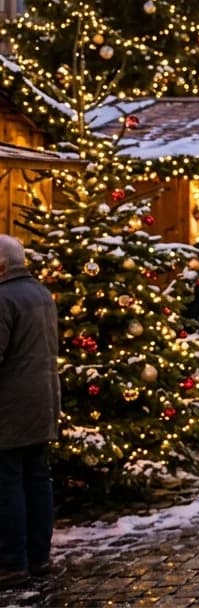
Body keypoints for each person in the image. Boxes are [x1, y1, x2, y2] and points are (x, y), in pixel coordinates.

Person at [0, 236, 58, 587]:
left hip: (10, 406)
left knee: (7, 483)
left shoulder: (3, 298)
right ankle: (39, 556)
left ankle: (12, 561)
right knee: (37, 480)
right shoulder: (40, 293)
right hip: (43, 401)